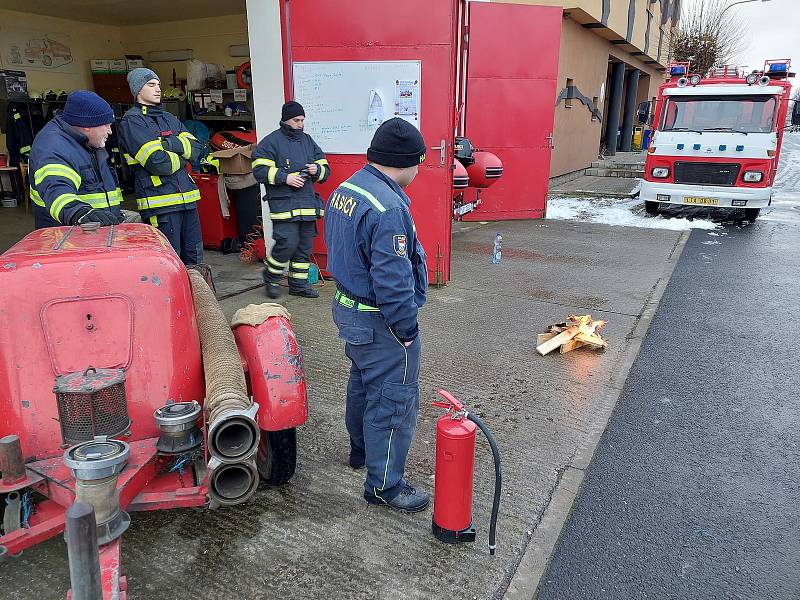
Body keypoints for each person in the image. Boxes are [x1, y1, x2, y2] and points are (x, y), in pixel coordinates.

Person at [324, 118, 429, 512]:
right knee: (394, 399)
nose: (420, 172)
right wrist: (406, 328)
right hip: (380, 320)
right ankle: (385, 484)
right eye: (419, 164)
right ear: (406, 162)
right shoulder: (388, 208)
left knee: (363, 385)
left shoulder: (347, 189)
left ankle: (361, 452)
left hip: (349, 312)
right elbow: (392, 277)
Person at [118, 68, 205, 264]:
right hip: (160, 204)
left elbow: (197, 149)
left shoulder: (169, 118)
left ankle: (197, 295)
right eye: (151, 84)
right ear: (137, 89)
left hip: (188, 200)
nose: (158, 89)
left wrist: (168, 145)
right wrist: (183, 155)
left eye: (158, 84)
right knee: (170, 262)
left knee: (195, 259)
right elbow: (159, 163)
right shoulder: (132, 121)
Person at [251, 101, 329, 298]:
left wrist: (317, 170)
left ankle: (299, 285)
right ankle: (271, 277)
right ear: (286, 119)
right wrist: (285, 177)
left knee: (303, 247)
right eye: (296, 120)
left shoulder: (308, 141)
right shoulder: (271, 142)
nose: (301, 124)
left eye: (302, 120)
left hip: (307, 205)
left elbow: (325, 169)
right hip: (284, 205)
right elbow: (259, 170)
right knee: (287, 243)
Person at [28, 90, 123, 229]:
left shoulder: (87, 140)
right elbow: (57, 190)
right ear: (86, 125)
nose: (110, 131)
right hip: (68, 237)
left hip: (95, 230)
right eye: (106, 125)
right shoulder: (53, 147)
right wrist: (81, 213)